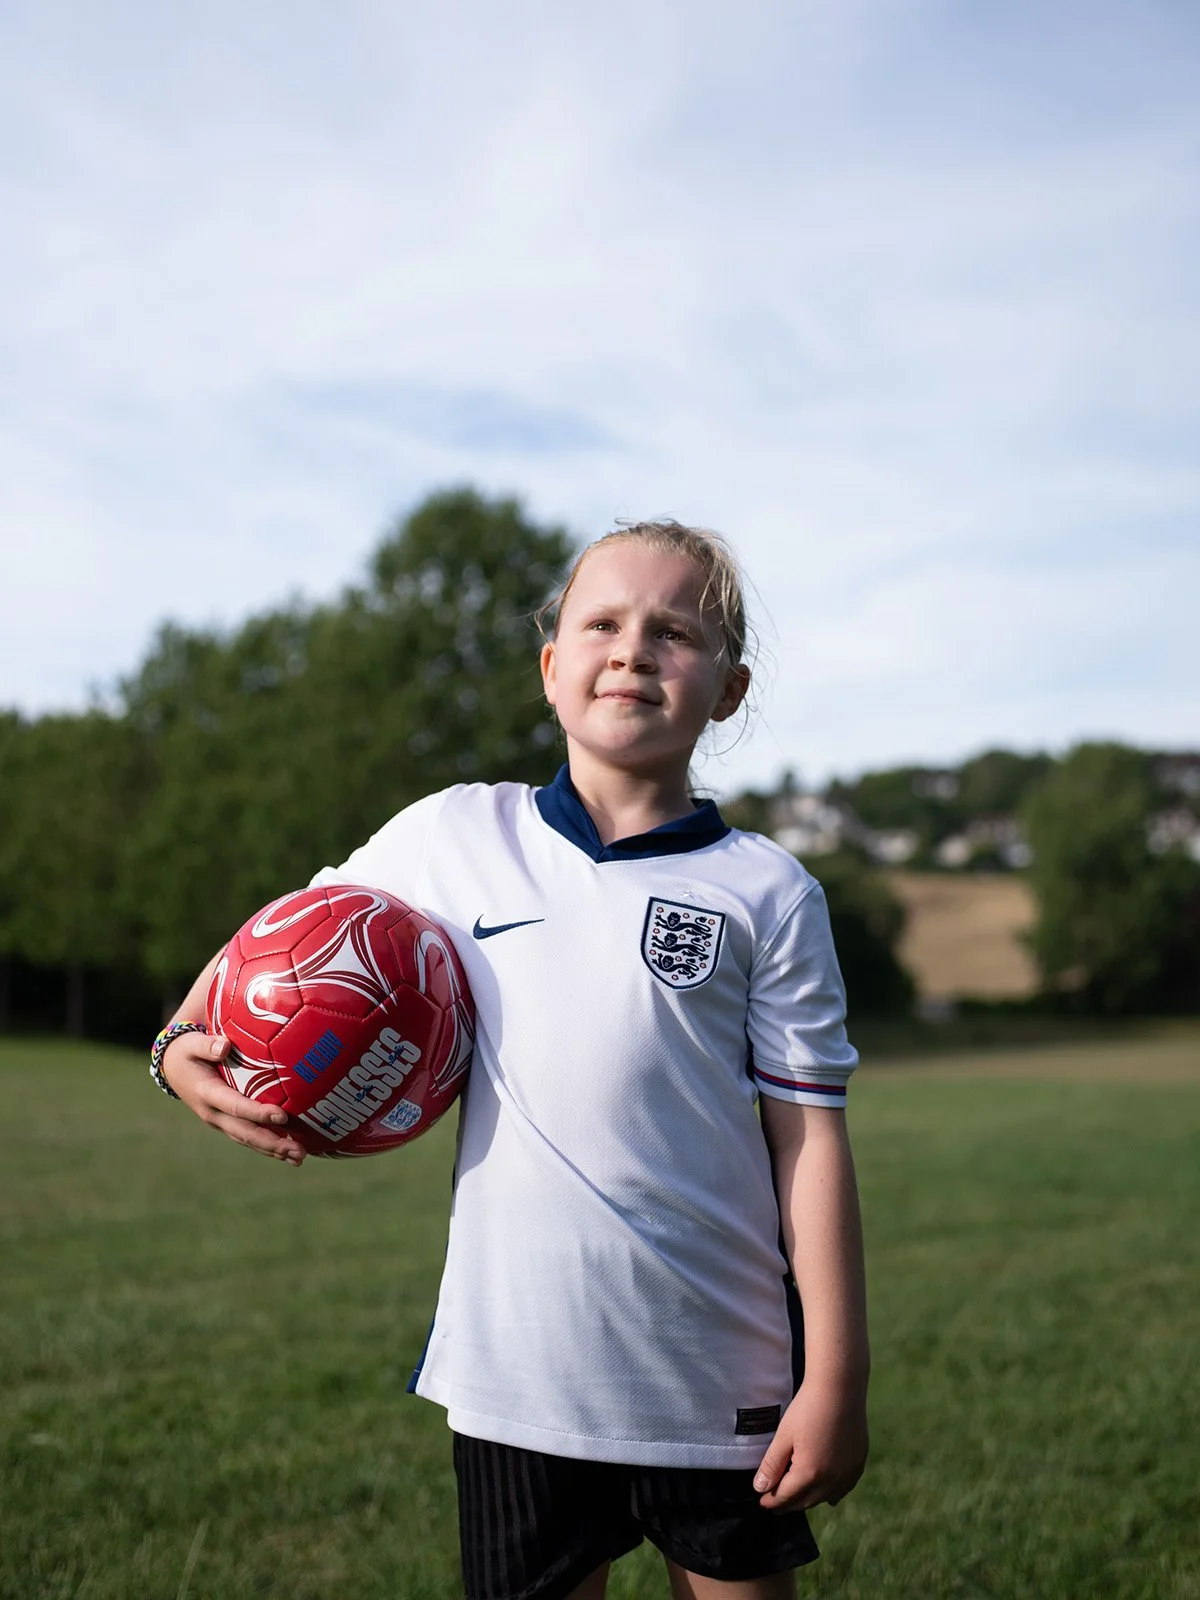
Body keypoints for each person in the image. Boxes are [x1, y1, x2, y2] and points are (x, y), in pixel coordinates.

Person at [154, 520, 870, 1600]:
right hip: (516, 1380)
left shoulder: (766, 892)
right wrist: (174, 1048)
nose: (634, 650)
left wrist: (838, 1378)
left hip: (722, 1371)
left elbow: (808, 1139)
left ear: (728, 688)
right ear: (551, 668)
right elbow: (269, 950)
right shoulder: (451, 835)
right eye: (604, 623)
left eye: (675, 632)